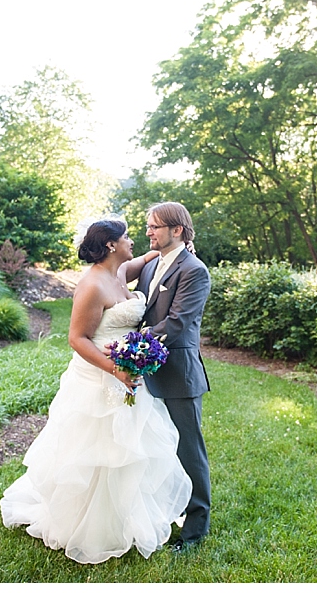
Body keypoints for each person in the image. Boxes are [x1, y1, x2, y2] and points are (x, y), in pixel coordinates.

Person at [0, 218, 192, 564]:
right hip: (100, 375)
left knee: (131, 450)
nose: (133, 241)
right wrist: (114, 369)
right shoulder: (91, 284)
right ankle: (89, 526)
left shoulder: (119, 272)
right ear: (110, 245)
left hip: (128, 373)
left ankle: (127, 519)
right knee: (98, 450)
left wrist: (169, 251)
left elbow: (141, 261)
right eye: (128, 237)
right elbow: (77, 338)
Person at [135, 202, 212, 552]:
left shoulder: (194, 270)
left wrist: (132, 346)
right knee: (156, 448)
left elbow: (178, 323)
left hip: (178, 374)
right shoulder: (152, 266)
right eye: (149, 226)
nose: (148, 232)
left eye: (154, 227)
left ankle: (195, 530)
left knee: (188, 450)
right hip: (147, 372)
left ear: (176, 230)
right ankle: (166, 512)